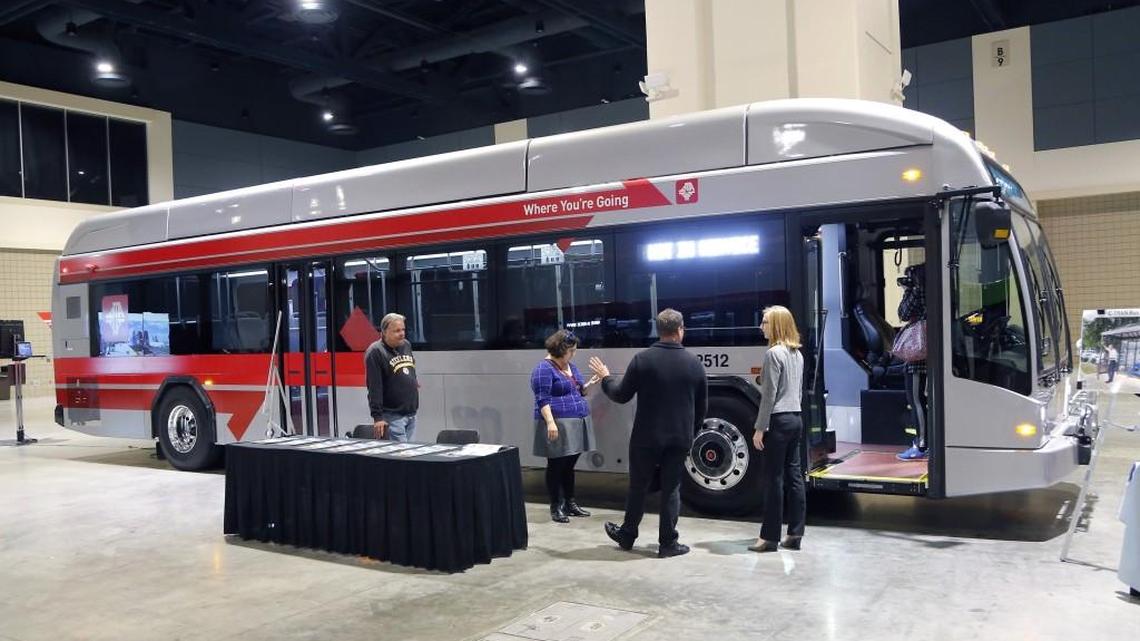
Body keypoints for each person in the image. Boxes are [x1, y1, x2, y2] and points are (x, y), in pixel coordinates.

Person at [588, 308, 707, 558]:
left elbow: (621, 395)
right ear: (680, 330)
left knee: (638, 486)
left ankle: (628, 535)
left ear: (659, 330)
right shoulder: (694, 363)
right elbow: (701, 407)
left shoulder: (642, 359)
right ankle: (668, 544)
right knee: (671, 488)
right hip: (679, 438)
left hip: (646, 437)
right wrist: (691, 434)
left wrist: (606, 378)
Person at [748, 305, 807, 553]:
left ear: (777, 325)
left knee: (773, 479)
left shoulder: (773, 353)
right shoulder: (797, 354)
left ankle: (769, 537)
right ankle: (795, 533)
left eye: (765, 322)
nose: (761, 326)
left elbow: (769, 395)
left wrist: (760, 428)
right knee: (794, 477)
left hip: (778, 421)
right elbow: (791, 387)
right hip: (796, 418)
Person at [530, 329, 599, 523]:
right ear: (562, 349)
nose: (574, 353)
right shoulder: (543, 369)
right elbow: (542, 399)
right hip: (558, 422)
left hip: (577, 420)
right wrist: (551, 422)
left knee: (569, 464)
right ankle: (556, 505)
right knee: (556, 465)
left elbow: (578, 390)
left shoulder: (570, 366)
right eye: (572, 350)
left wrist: (591, 383)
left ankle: (570, 502)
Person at [365, 313, 418, 441]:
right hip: (393, 416)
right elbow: (374, 387)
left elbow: (410, 367)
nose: (402, 333)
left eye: (403, 329)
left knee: (411, 456)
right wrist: (377, 418)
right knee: (402, 457)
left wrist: (412, 382)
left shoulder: (406, 345)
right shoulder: (375, 352)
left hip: (411, 414)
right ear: (384, 332)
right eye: (397, 331)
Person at [895, 263, 929, 461]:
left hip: (918, 357)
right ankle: (926, 441)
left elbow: (903, 313)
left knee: (916, 400)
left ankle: (922, 444)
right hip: (929, 351)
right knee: (923, 400)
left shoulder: (917, 292)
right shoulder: (939, 290)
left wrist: (909, 289)